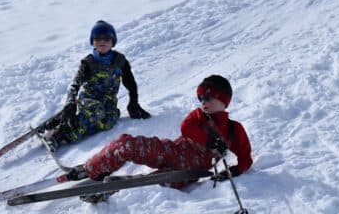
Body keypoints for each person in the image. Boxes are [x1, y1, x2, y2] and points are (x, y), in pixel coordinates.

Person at [68, 75, 253, 188]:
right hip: (173, 151)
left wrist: (233, 172)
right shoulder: (198, 116)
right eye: (200, 97)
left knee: (150, 186)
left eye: (208, 97)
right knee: (128, 144)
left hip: (188, 172)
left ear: (223, 100)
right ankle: (92, 168)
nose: (203, 101)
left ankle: (110, 190)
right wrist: (209, 141)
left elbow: (245, 158)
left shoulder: (233, 129)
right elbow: (186, 128)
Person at [41, 20, 151, 150]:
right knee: (95, 110)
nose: (102, 41)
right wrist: (70, 103)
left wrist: (134, 102)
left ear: (113, 41)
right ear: (92, 41)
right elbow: (75, 84)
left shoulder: (120, 61)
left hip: (107, 102)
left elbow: (131, 83)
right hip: (89, 98)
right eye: (98, 38)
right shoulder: (89, 62)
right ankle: (59, 134)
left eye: (106, 38)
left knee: (109, 121)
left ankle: (69, 120)